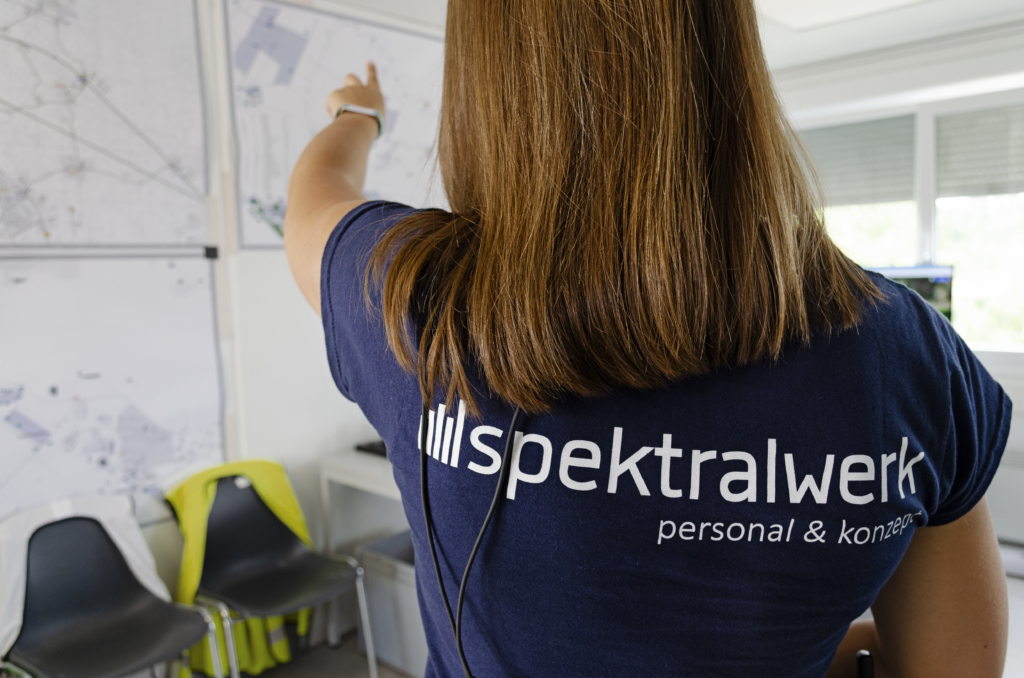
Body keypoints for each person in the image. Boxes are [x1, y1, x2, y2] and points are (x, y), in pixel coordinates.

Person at [283, 1, 1011, 676]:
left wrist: (358, 114)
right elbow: (952, 666)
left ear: (484, 82)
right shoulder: (904, 355)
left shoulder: (409, 296)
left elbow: (315, 191)